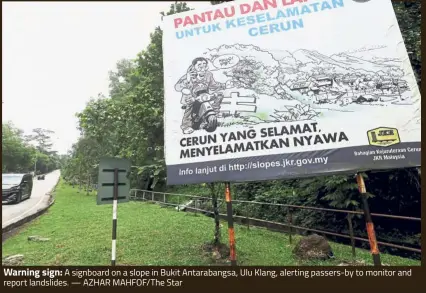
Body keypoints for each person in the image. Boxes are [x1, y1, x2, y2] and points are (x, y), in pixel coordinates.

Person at [175, 57, 231, 134]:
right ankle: (186, 126)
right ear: (194, 66)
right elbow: (177, 87)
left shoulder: (208, 74)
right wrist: (186, 84)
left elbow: (213, 85)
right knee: (190, 102)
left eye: (204, 64)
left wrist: (224, 85)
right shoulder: (189, 75)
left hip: (204, 94)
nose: (202, 67)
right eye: (199, 65)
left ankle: (215, 112)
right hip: (193, 96)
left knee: (219, 95)